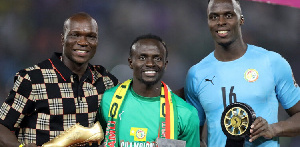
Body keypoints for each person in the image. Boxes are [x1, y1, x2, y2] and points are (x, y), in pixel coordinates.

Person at [184, 0, 300, 146]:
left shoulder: (272, 62)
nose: (221, 22)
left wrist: (274, 128)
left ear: (241, 20)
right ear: (208, 22)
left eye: (228, 15)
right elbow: (193, 133)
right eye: (214, 17)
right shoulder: (196, 74)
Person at [0, 12, 119, 147]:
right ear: (63, 39)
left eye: (91, 37)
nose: (83, 42)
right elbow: (2, 126)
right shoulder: (33, 79)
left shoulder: (107, 82)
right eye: (75, 35)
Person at [97, 34, 200, 147]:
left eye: (157, 58)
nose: (150, 64)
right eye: (142, 57)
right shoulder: (107, 101)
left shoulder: (185, 113)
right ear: (131, 62)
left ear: (165, 65)